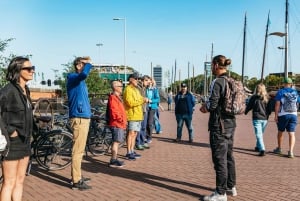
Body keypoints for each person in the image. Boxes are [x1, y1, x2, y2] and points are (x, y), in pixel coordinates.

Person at [200, 55, 237, 201]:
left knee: (219, 159)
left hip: (219, 125)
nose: (211, 69)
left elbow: (213, 104)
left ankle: (220, 193)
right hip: (230, 123)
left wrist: (205, 107)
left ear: (215, 65)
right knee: (229, 156)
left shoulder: (218, 82)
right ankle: (231, 186)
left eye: (211, 66)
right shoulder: (232, 81)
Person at [0, 56, 35, 201]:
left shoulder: (25, 90)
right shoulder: (8, 90)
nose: (32, 71)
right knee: (9, 182)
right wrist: (10, 132)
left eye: (33, 68)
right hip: (13, 142)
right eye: (28, 68)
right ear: (17, 70)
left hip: (25, 141)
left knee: (20, 180)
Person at [67, 56, 93, 190]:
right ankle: (76, 181)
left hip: (83, 116)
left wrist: (87, 63)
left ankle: (78, 175)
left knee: (80, 150)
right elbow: (83, 74)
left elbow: (84, 74)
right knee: (77, 151)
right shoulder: (72, 77)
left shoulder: (80, 81)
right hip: (79, 117)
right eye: (84, 64)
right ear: (78, 65)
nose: (88, 66)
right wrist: (88, 64)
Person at [123, 73, 149, 160]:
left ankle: (132, 150)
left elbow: (140, 99)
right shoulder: (128, 89)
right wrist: (142, 101)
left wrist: (143, 100)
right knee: (130, 133)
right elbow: (130, 103)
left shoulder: (136, 90)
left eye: (138, 79)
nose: (137, 80)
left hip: (138, 115)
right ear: (130, 79)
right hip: (132, 115)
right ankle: (128, 152)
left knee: (135, 134)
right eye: (136, 78)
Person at [273, 77, 300, 158]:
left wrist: (276, 115)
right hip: (293, 115)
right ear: (291, 84)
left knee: (280, 131)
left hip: (283, 115)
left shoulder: (281, 92)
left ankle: (279, 148)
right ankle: (291, 152)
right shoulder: (295, 92)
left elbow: (277, 104)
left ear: (284, 84)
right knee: (292, 133)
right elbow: (297, 103)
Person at [244, 83, 272, 156]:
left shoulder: (254, 97)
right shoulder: (268, 98)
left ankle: (262, 149)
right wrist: (268, 114)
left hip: (257, 117)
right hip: (265, 119)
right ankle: (257, 146)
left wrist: (246, 112)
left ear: (257, 89)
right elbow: (270, 109)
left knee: (259, 134)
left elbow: (249, 106)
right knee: (260, 134)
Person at [107, 80, 127, 167]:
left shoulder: (117, 97)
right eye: (120, 86)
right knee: (116, 141)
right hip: (117, 123)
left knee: (117, 141)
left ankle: (114, 159)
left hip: (119, 123)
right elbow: (114, 111)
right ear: (115, 87)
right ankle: (113, 160)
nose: (122, 88)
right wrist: (121, 119)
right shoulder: (113, 97)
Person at [135, 75, 151, 150]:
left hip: (144, 109)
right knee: (139, 127)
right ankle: (138, 143)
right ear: (142, 80)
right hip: (139, 110)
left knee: (144, 127)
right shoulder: (138, 88)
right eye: (146, 80)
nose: (148, 82)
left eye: (148, 81)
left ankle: (142, 141)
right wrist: (145, 99)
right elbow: (138, 98)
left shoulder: (145, 88)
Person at [145, 78, 160, 143]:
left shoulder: (155, 90)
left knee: (149, 123)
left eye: (150, 82)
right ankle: (145, 136)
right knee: (145, 123)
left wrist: (151, 101)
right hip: (146, 107)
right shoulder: (145, 89)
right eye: (148, 82)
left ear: (152, 83)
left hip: (152, 107)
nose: (149, 83)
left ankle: (149, 137)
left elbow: (158, 99)